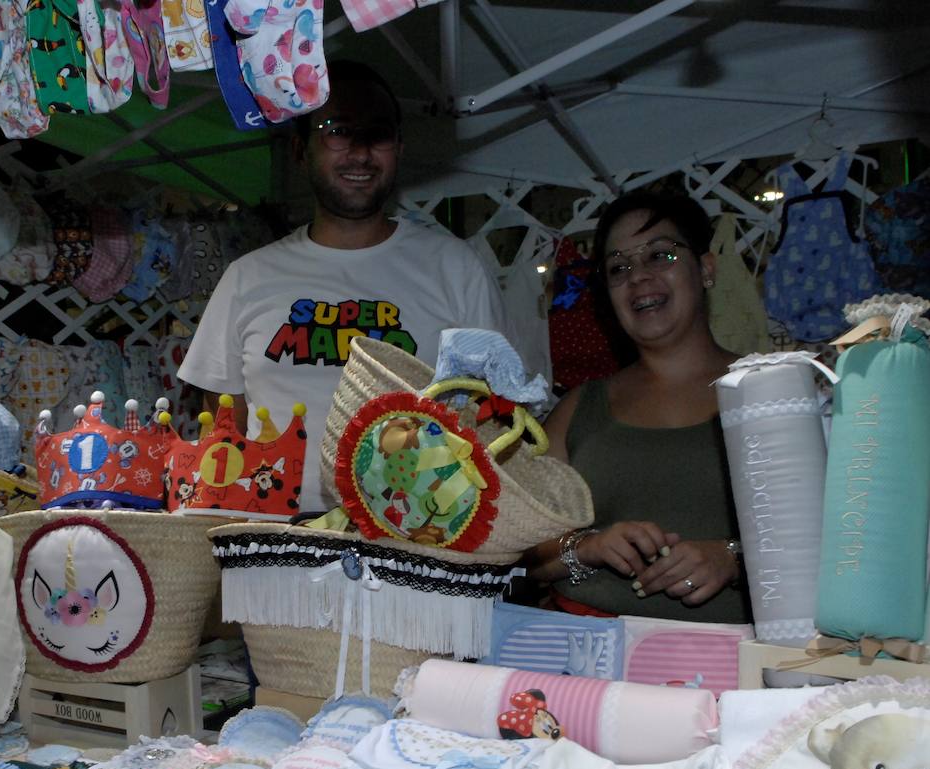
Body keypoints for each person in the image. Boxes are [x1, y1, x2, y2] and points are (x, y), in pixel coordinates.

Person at [177, 60, 510, 515]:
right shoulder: (247, 277)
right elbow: (220, 427)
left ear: (398, 148)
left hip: (415, 536)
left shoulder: (456, 268)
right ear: (300, 150)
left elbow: (494, 417)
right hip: (272, 538)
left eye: (378, 133)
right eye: (338, 130)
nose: (360, 152)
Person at [523, 191, 751, 623]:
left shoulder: (769, 389)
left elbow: (831, 542)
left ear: (705, 268)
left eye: (660, 255)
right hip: (582, 662)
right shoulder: (578, 408)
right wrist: (587, 547)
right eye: (619, 267)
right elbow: (518, 550)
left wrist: (733, 558)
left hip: (732, 667)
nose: (638, 277)